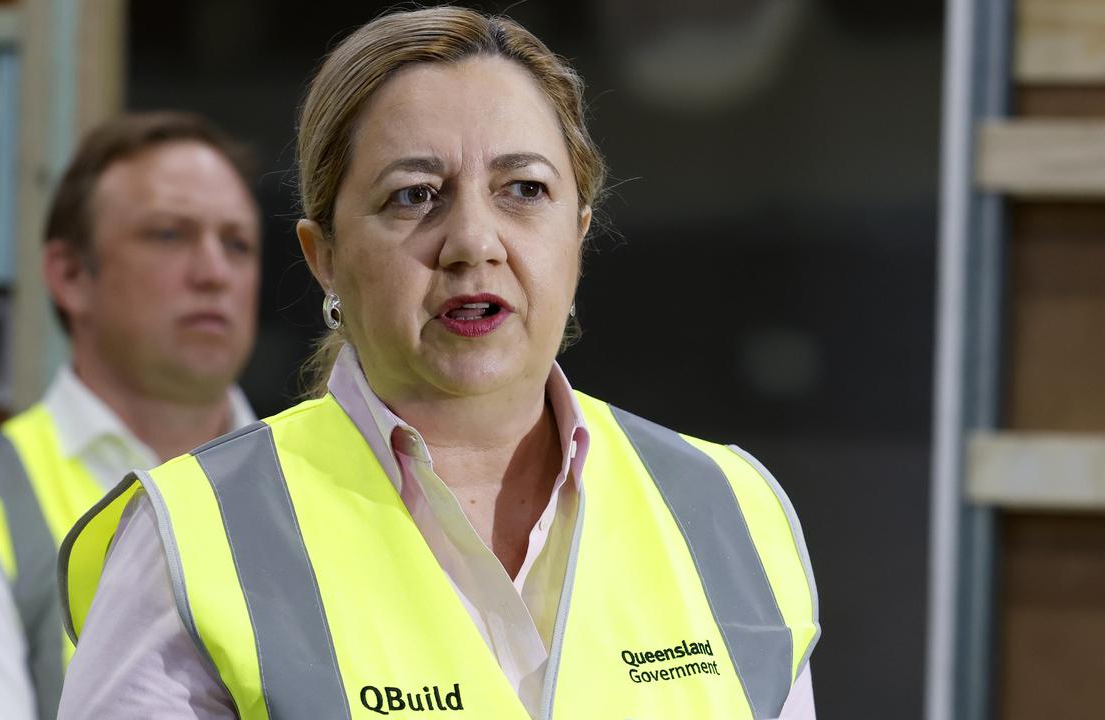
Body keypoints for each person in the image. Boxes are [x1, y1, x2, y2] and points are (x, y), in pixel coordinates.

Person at [58, 8, 819, 719]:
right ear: (324, 257)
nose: (474, 243)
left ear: (578, 235)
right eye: (415, 195)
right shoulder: (193, 537)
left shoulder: (736, 515)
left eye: (524, 190)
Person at [0, 111, 262, 720]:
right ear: (70, 276)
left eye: (238, 243)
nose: (214, 272)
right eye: (169, 235)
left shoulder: (326, 488)